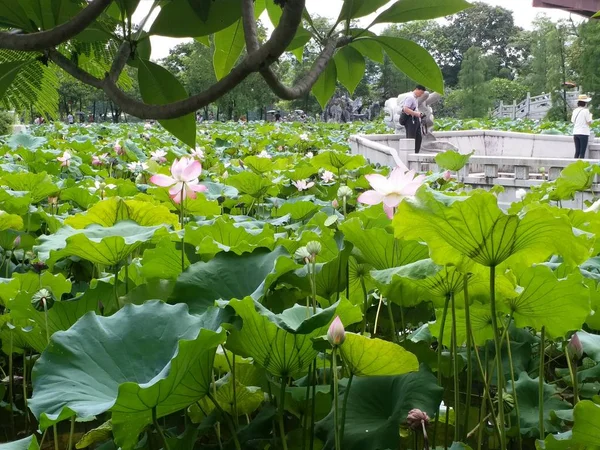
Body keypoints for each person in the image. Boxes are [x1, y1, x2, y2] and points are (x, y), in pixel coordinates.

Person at [402, 85, 427, 153]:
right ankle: (410, 154)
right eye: (421, 93)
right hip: (410, 120)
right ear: (417, 89)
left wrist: (420, 114)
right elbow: (405, 109)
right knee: (411, 139)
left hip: (415, 120)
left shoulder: (415, 98)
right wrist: (416, 114)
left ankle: (416, 153)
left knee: (418, 139)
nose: (421, 95)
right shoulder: (410, 97)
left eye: (422, 93)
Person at [571, 94, 593, 159]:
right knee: (582, 152)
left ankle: (574, 165)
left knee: (577, 151)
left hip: (575, 132)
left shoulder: (575, 111)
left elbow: (572, 121)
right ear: (585, 103)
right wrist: (591, 116)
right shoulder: (586, 111)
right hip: (583, 133)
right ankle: (581, 165)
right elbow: (589, 122)